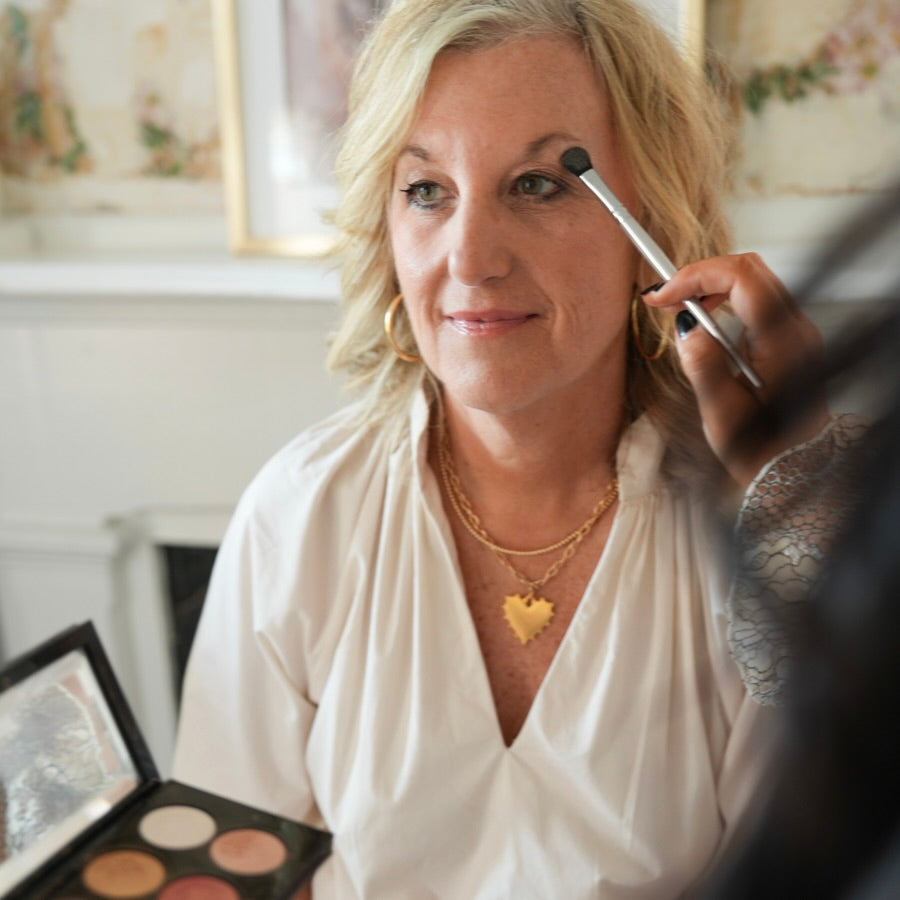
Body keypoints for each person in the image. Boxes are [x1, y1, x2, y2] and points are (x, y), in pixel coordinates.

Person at [173, 1, 860, 896]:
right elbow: (223, 870)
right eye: (427, 190)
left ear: (647, 218)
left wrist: (805, 503)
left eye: (538, 184)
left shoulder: (752, 526)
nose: (469, 258)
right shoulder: (302, 512)